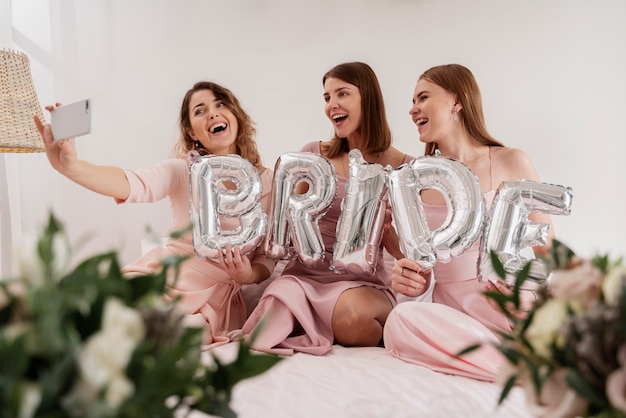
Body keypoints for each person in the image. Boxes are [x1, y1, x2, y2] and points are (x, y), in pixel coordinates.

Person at [34, 81, 275, 348]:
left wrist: (247, 276)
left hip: (213, 302)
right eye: (200, 110)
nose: (213, 114)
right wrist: (71, 167)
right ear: (191, 131)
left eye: (220, 105)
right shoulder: (183, 170)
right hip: (160, 278)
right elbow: (133, 183)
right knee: (91, 318)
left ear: (235, 115)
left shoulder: (269, 182)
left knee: (163, 335)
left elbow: (266, 257)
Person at [382, 64, 554, 381]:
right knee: (400, 319)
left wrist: (525, 297)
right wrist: (410, 280)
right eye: (413, 101)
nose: (412, 109)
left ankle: (524, 356)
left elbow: (548, 251)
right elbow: (422, 269)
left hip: (512, 307)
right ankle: (520, 371)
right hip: (455, 320)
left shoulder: (512, 161)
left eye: (423, 97)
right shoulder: (416, 182)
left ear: (456, 101)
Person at [242, 62, 415, 356]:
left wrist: (385, 232)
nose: (332, 105)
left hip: (361, 284)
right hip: (304, 278)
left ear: (367, 98)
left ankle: (339, 326)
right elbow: (280, 226)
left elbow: (409, 255)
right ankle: (311, 321)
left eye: (342, 94)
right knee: (273, 314)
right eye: (326, 97)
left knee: (353, 319)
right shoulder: (313, 155)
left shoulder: (403, 167)